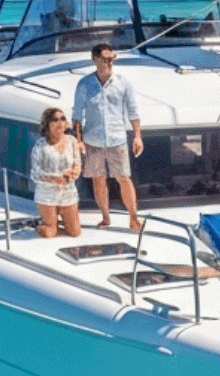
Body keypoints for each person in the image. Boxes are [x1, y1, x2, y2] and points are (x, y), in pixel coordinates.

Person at [73, 43, 144, 231]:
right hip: (93, 140)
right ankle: (105, 217)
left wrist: (137, 136)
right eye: (106, 59)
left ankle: (134, 218)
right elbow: (77, 116)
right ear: (95, 59)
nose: (110, 62)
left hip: (117, 139)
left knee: (124, 178)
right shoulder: (84, 85)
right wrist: (79, 140)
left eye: (112, 59)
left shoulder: (123, 83)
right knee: (98, 180)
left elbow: (133, 112)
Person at [30, 107, 83, 238]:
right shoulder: (40, 146)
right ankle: (39, 224)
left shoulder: (72, 141)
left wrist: (72, 174)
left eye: (63, 119)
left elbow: (77, 164)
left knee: (75, 233)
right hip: (47, 195)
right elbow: (35, 173)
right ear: (47, 124)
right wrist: (55, 179)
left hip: (68, 193)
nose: (60, 122)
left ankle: (54, 221)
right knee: (49, 233)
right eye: (55, 119)